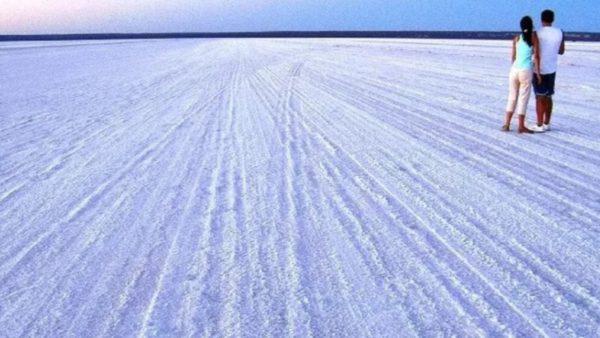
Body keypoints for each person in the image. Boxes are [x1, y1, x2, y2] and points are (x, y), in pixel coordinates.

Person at [502, 16, 542, 133]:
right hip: (526, 70)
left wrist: (514, 67)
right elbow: (537, 56)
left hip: (514, 70)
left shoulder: (516, 38)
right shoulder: (533, 36)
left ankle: (507, 124)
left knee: (512, 96)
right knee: (523, 98)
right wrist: (538, 73)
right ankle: (521, 126)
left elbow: (513, 57)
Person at [532, 9, 565, 132]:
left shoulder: (537, 33)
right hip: (552, 68)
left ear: (541, 20)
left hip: (538, 69)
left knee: (539, 96)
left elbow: (533, 50)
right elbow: (561, 51)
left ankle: (539, 124)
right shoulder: (560, 32)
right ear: (553, 19)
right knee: (549, 96)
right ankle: (547, 123)